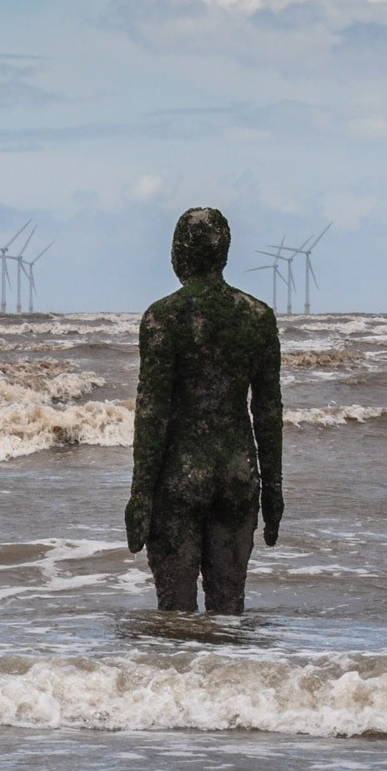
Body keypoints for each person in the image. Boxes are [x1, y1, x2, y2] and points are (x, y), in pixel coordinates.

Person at [124, 207, 283, 614]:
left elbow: (153, 411)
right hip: (238, 473)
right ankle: (230, 677)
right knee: (229, 611)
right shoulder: (258, 317)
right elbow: (267, 411)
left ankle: (184, 676)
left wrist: (140, 494)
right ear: (224, 254)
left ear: (178, 254)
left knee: (175, 614)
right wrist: (274, 492)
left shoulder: (163, 317)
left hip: (179, 477)